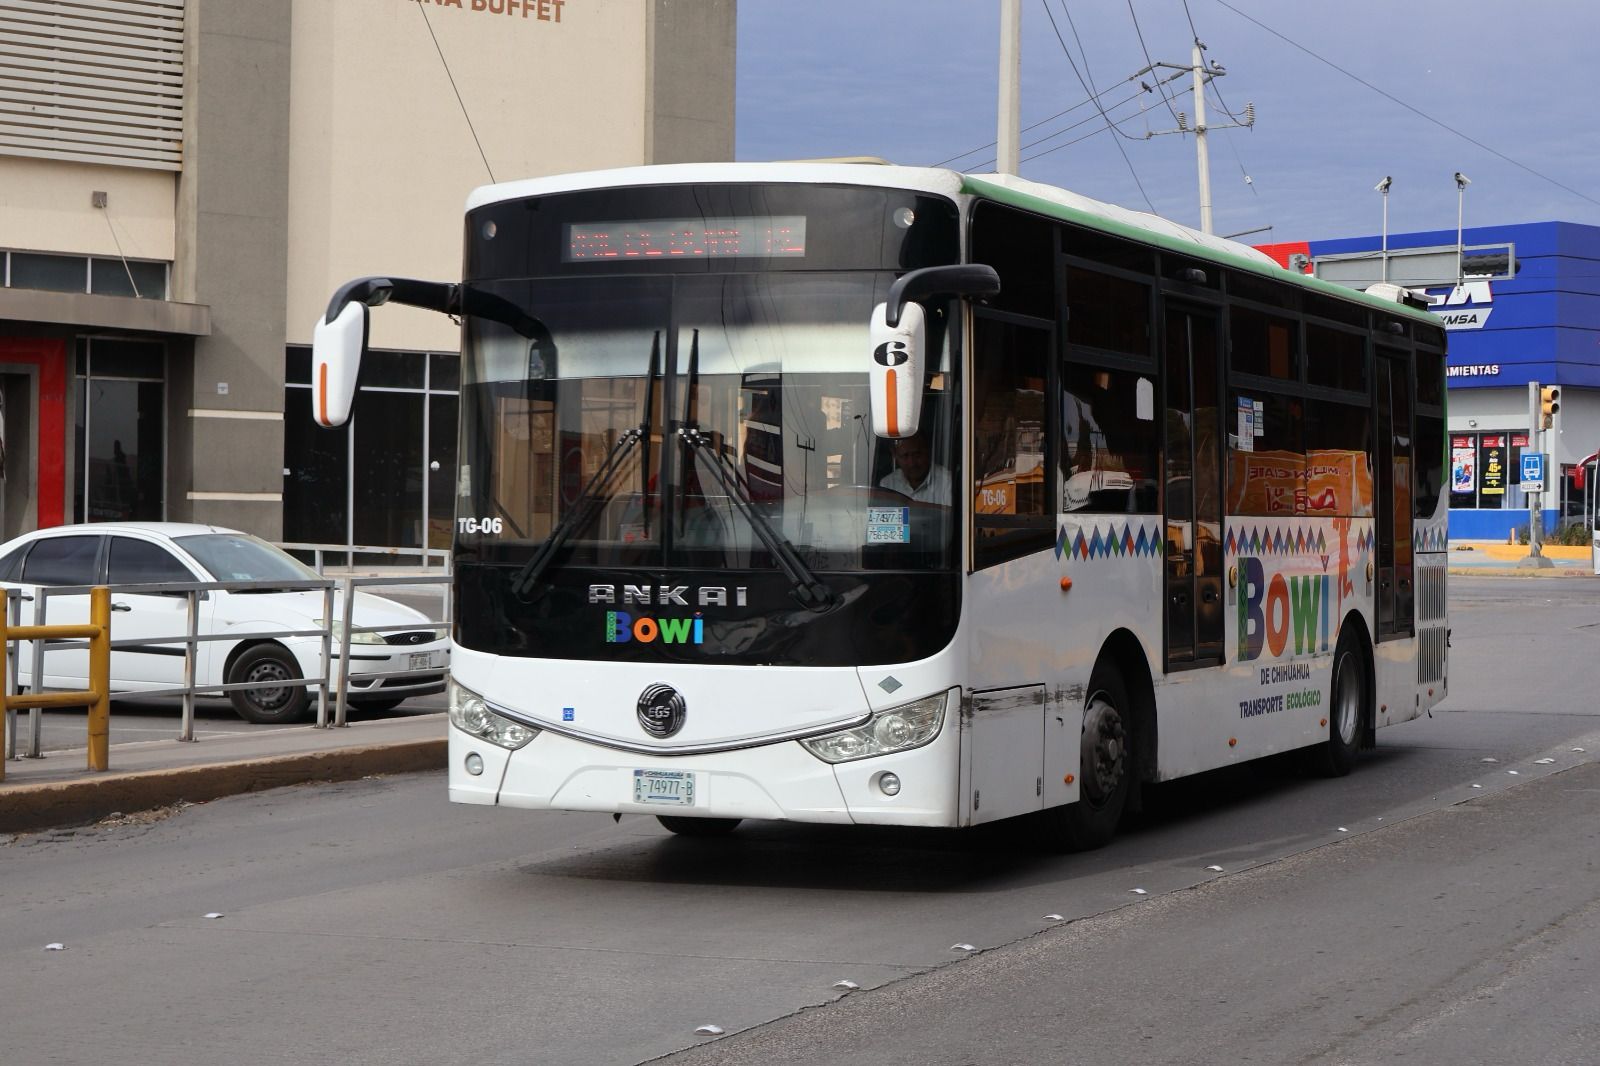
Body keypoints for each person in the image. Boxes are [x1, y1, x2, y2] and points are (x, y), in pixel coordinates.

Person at [878, 429, 951, 505]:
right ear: (895, 455)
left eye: (917, 455)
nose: (912, 463)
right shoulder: (888, 484)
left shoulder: (947, 483)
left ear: (928, 451)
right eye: (905, 456)